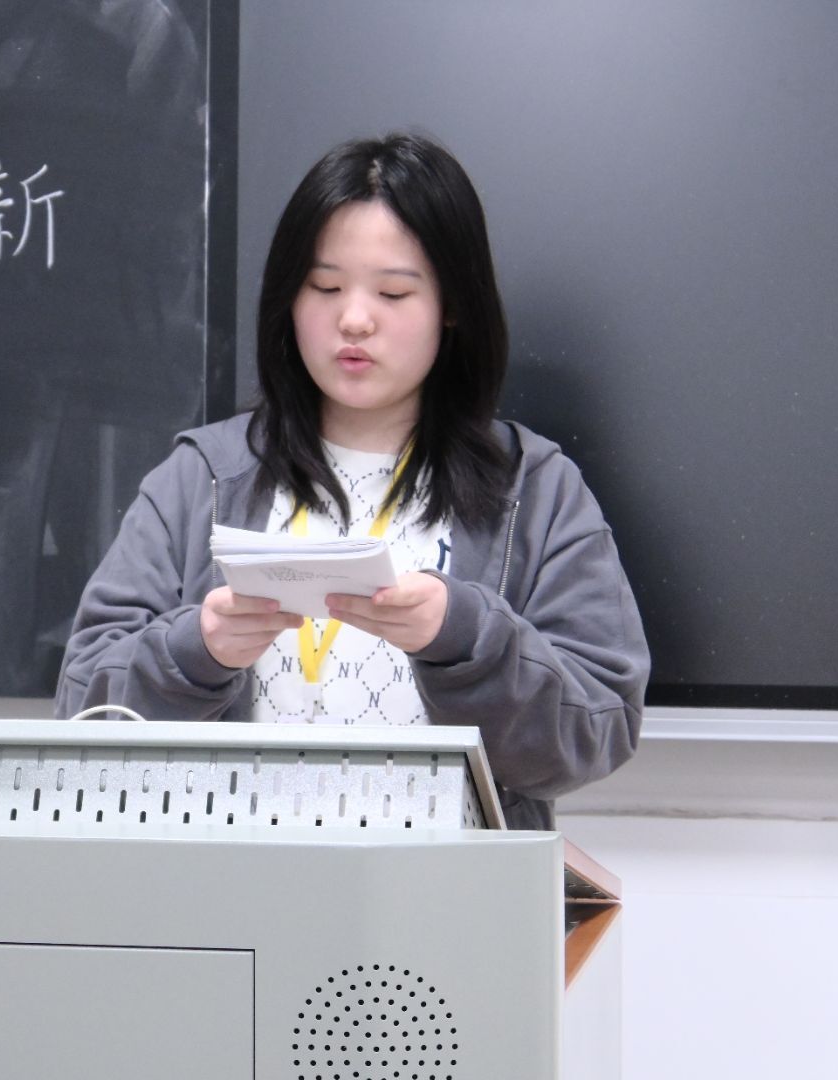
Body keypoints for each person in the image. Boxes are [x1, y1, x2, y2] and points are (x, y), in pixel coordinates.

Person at [54, 133, 649, 829]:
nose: (354, 319)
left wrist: (464, 637)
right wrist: (197, 651)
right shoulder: (203, 476)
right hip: (231, 883)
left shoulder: (535, 489)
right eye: (325, 287)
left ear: (452, 305)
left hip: (450, 888)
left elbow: (596, 732)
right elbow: (82, 713)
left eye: (393, 292)